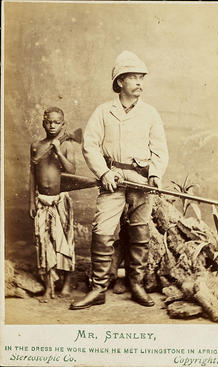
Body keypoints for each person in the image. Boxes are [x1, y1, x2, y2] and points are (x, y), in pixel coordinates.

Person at [70, 50, 169, 310]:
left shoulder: (150, 113)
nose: (140, 83)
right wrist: (104, 173)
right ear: (120, 82)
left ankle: (137, 284)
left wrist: (155, 175)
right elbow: (90, 146)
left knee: (140, 233)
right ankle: (99, 288)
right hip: (112, 181)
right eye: (133, 77)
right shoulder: (104, 112)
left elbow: (160, 149)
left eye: (141, 78)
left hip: (141, 183)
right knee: (102, 232)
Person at [29, 107, 76, 302]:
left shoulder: (66, 145)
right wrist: (31, 200)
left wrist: (58, 151)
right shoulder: (36, 145)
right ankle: (49, 286)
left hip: (60, 201)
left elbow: (72, 171)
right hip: (42, 201)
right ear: (43, 123)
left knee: (64, 241)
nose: (52, 125)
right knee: (44, 243)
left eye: (57, 122)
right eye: (49, 122)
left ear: (63, 124)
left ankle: (66, 282)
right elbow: (32, 175)